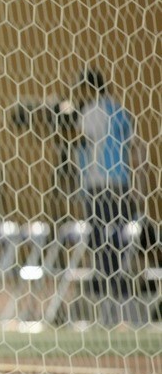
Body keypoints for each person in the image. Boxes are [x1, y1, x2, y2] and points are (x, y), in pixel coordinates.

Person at [71, 68, 137, 325]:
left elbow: (79, 140)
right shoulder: (120, 110)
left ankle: (106, 304)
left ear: (89, 89)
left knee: (100, 243)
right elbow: (132, 147)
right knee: (119, 242)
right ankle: (123, 302)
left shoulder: (92, 112)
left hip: (99, 185)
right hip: (121, 184)